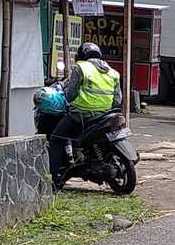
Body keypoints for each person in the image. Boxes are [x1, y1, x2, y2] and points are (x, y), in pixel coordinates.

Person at [49, 41, 122, 177]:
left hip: (81, 114)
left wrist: (67, 99)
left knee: (56, 138)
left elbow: (71, 94)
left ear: (81, 56)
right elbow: (117, 100)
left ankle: (54, 177)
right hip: (105, 115)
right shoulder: (113, 72)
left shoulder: (81, 67)